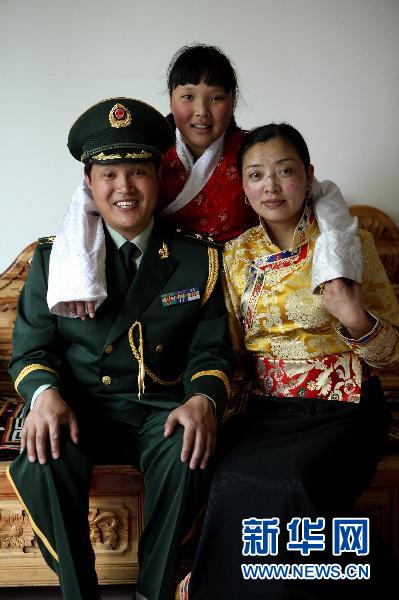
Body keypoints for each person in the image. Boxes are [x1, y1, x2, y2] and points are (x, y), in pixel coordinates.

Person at [6, 97, 235, 600]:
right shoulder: (56, 258)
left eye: (138, 172)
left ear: (159, 176)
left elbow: (211, 353)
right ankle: (77, 591)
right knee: (41, 455)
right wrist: (44, 394)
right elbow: (31, 350)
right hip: (81, 407)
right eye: (109, 174)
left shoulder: (197, 259)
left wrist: (203, 400)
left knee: (188, 451)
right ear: (89, 182)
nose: (124, 188)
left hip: (159, 410)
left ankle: (153, 592)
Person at [177, 123, 399, 599]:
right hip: (268, 412)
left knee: (289, 482)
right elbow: (228, 350)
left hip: (345, 406)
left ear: (308, 174)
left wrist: (354, 317)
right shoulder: (234, 257)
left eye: (284, 171)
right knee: (232, 477)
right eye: (256, 175)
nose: (271, 186)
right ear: (244, 186)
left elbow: (391, 353)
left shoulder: (347, 245)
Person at [47, 44, 362, 319]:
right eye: (188, 96)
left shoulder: (253, 151)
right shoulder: (145, 152)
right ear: (170, 99)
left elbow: (323, 195)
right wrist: (77, 280)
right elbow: (86, 203)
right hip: (169, 283)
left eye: (215, 98)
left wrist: (335, 267)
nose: (201, 112)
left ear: (232, 101)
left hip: (248, 286)